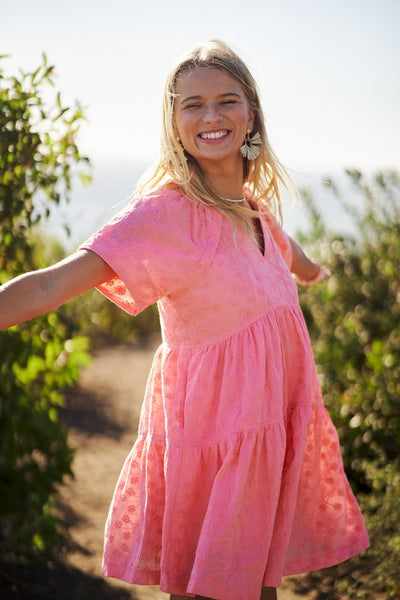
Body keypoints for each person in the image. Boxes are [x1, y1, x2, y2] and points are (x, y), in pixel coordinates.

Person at [0, 40, 368, 600]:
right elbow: (53, 283)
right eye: (192, 104)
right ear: (174, 122)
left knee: (257, 586)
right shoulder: (164, 214)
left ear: (251, 115)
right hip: (214, 440)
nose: (211, 116)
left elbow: (294, 259)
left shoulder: (258, 213)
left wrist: (324, 275)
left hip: (267, 432)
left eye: (226, 100)